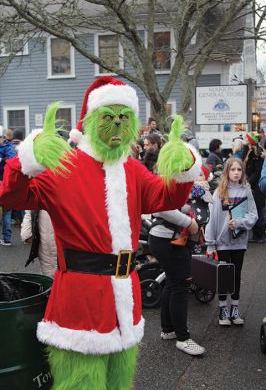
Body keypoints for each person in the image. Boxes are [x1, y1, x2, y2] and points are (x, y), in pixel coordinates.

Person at [0, 76, 201, 390]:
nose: (118, 125)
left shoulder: (132, 169)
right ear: (91, 121)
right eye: (109, 117)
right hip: (81, 300)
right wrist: (29, 158)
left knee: (120, 381)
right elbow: (11, 196)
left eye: (125, 117)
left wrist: (184, 164)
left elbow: (166, 198)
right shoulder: (64, 166)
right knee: (82, 382)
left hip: (125, 296)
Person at [205, 158, 258, 326]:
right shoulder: (219, 192)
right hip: (222, 242)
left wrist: (240, 222)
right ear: (227, 172)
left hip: (239, 242)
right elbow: (212, 220)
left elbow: (253, 215)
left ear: (243, 172)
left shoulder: (246, 191)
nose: (236, 172)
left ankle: (235, 307)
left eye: (239, 170)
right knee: (223, 276)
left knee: (236, 275)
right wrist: (211, 243)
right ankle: (223, 308)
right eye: (233, 169)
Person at [148, 205, 206, 356]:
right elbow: (163, 208)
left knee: (173, 283)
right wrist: (189, 221)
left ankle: (169, 329)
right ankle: (183, 338)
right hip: (169, 239)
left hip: (167, 238)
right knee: (180, 286)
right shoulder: (168, 180)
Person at [21, 210, 57, 278]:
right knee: (47, 272)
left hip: (63, 246)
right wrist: (26, 234)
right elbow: (29, 210)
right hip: (44, 244)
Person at [244, 132, 266, 243]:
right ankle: (256, 235)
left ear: (250, 141)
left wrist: (248, 181)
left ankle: (261, 235)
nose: (244, 139)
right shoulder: (248, 151)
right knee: (253, 209)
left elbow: (258, 172)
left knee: (258, 210)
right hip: (250, 185)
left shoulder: (258, 152)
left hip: (256, 186)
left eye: (246, 138)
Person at [0, 126, 16, 246]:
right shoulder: (9, 147)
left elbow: (13, 161)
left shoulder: (8, 148)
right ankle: (6, 238)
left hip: (5, 182)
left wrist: (3, 160)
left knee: (6, 210)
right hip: (4, 181)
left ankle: (7, 238)